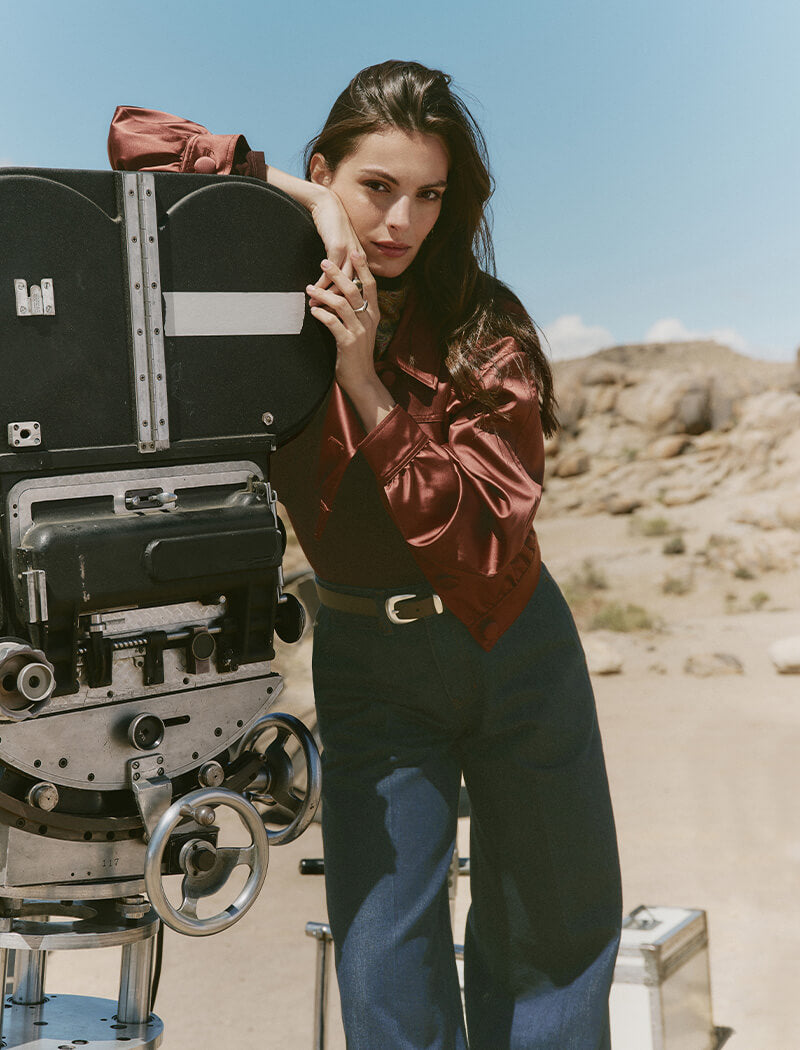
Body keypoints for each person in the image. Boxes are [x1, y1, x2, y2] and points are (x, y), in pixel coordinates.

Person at [109, 60, 622, 1050]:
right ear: (326, 171)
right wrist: (297, 203)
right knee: (385, 960)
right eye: (374, 188)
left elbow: (477, 542)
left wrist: (365, 383)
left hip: (516, 651)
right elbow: (132, 139)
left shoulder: (484, 324)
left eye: (427, 195)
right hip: (368, 668)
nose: (400, 223)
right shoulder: (274, 296)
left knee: (550, 941)